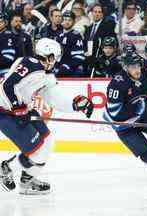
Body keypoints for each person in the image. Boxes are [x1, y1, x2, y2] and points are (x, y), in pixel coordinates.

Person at [0, 38, 93, 195]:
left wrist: (75, 104)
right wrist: (17, 108)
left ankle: (27, 182)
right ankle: (6, 169)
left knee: (46, 143)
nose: (56, 60)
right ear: (48, 55)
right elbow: (6, 86)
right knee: (36, 150)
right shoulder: (29, 63)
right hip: (5, 111)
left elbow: (53, 97)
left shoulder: (46, 74)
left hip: (23, 110)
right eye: (55, 56)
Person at [84, 3, 116, 75]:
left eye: (99, 12)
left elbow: (110, 44)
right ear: (91, 13)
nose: (97, 14)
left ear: (102, 14)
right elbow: (85, 43)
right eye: (95, 12)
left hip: (100, 60)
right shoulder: (88, 28)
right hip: (87, 59)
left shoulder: (108, 26)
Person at [56, 10, 85, 77]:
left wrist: (67, 66)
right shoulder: (58, 35)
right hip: (59, 68)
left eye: (69, 20)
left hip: (71, 70)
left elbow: (79, 56)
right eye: (65, 19)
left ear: (74, 22)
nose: (67, 22)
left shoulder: (76, 35)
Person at [0, 12, 16, 77]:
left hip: (5, 72)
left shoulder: (7, 35)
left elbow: (8, 58)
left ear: (5, 23)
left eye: (1, 22)